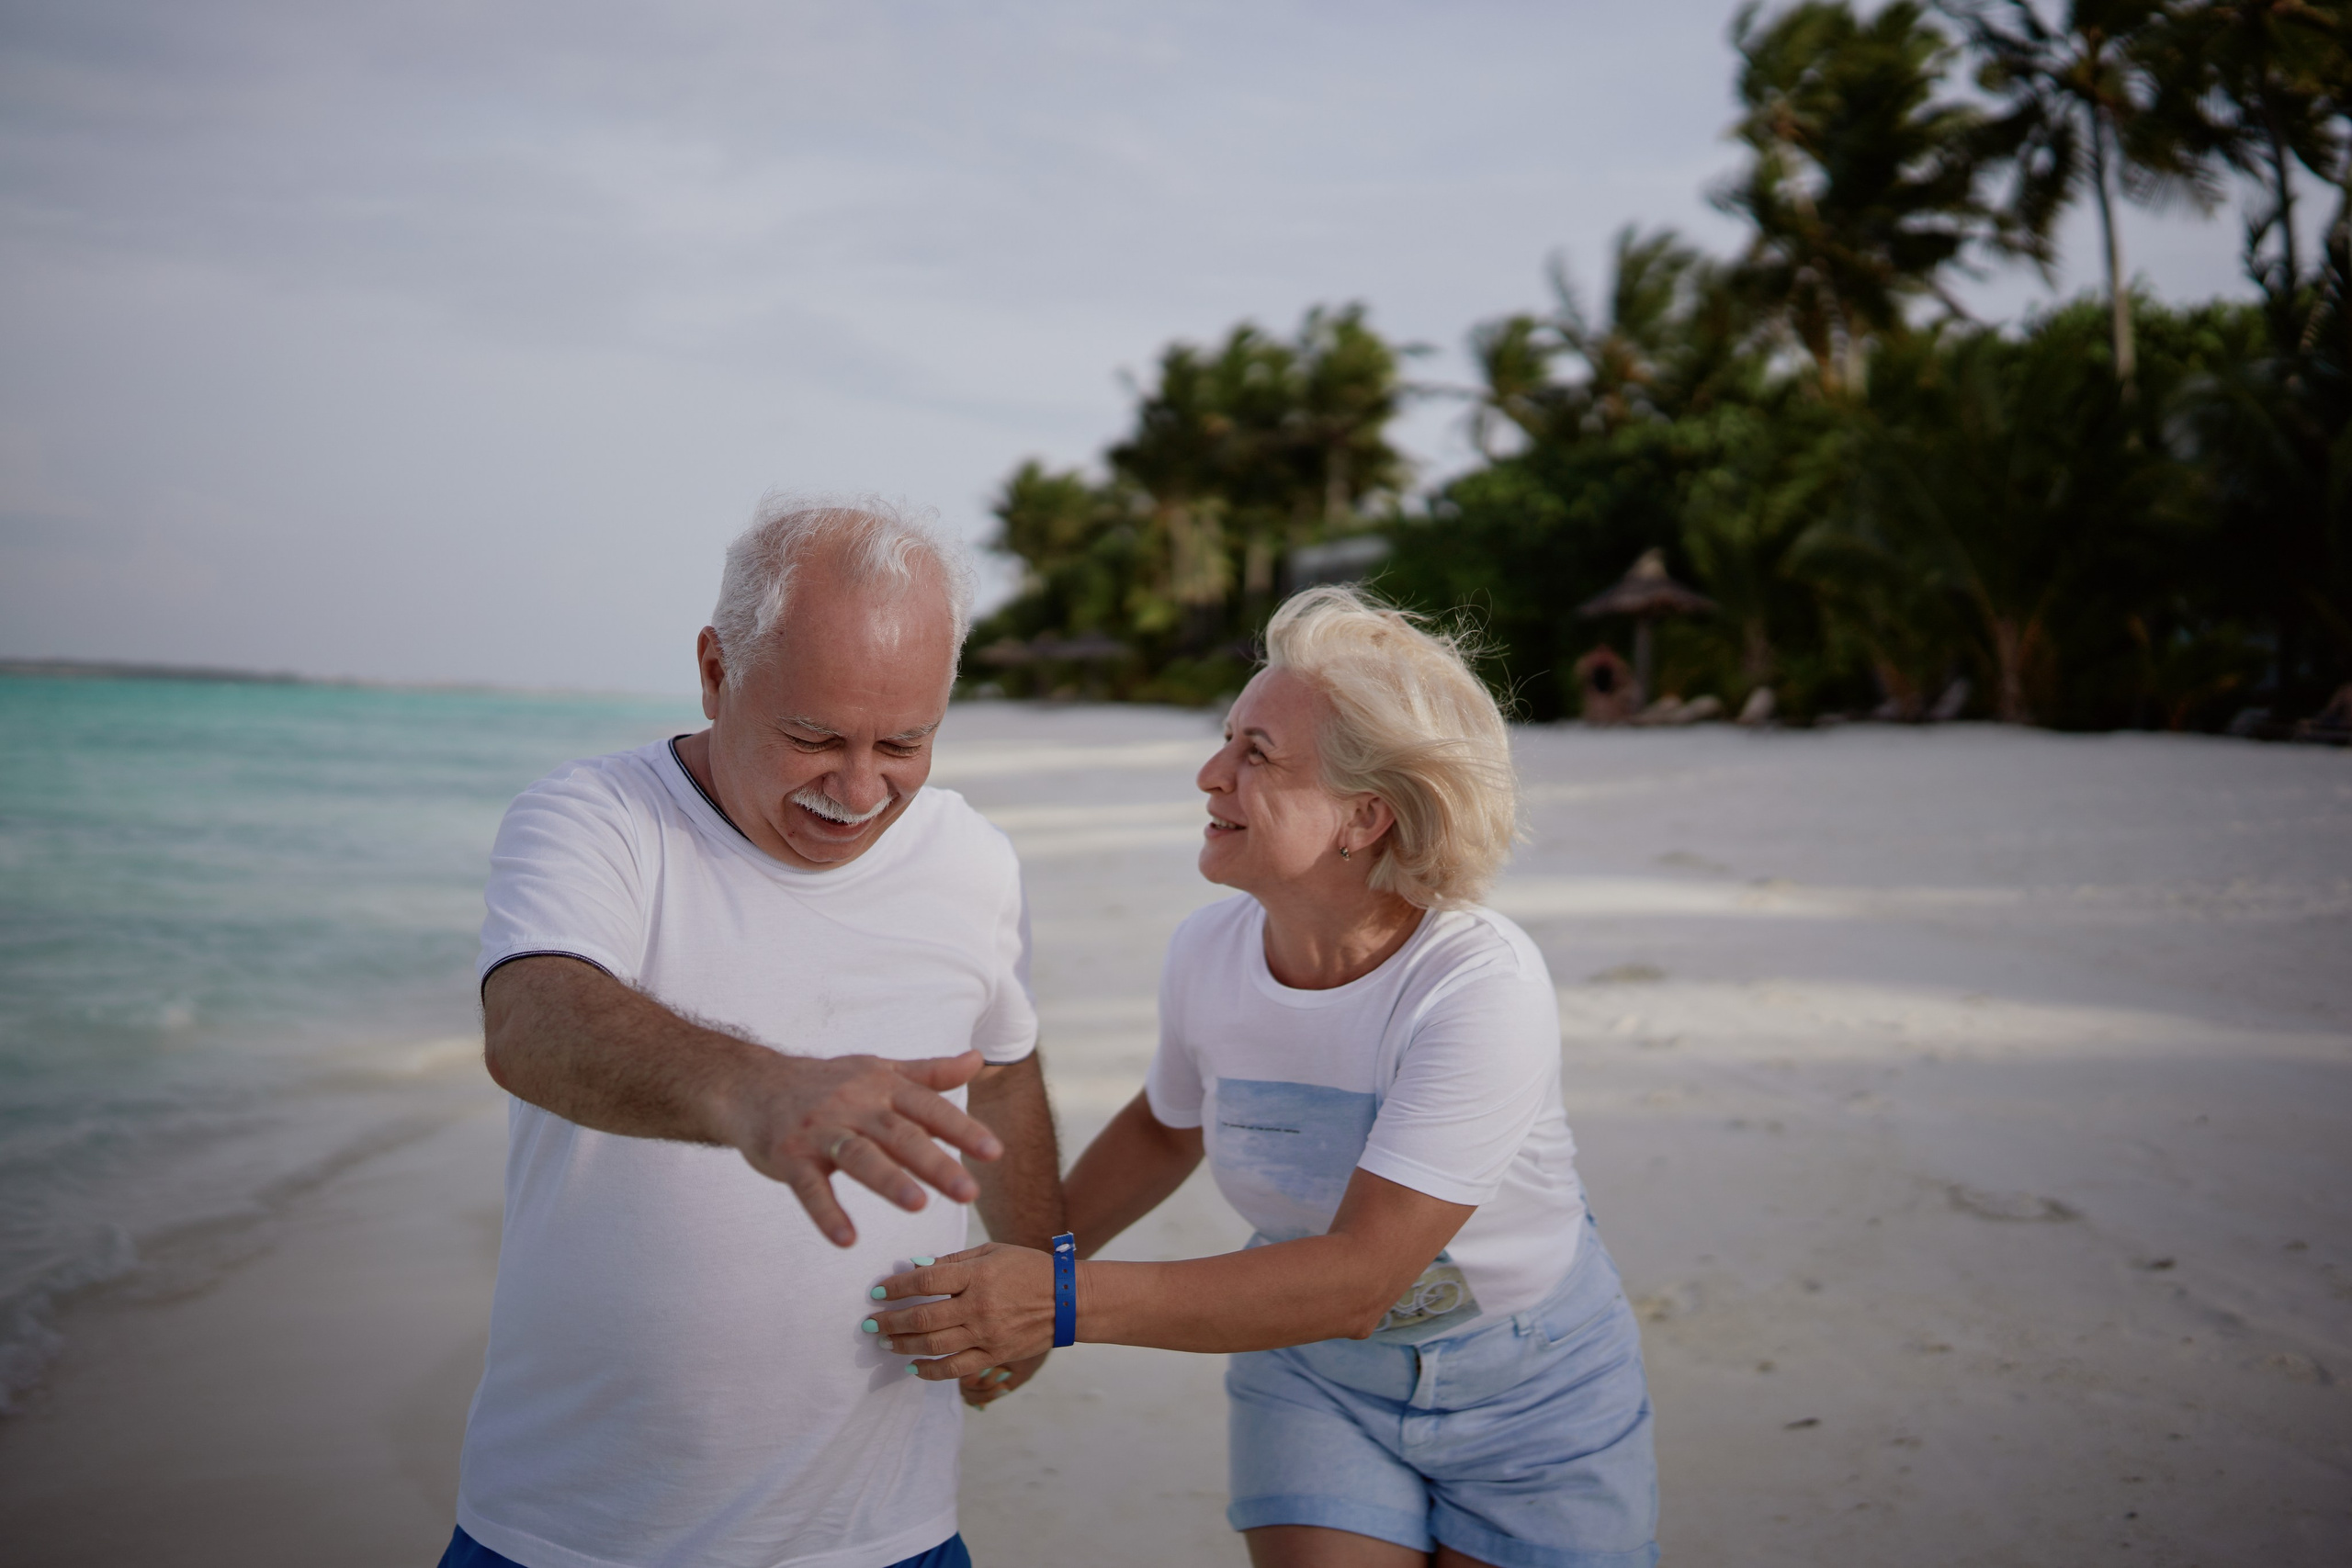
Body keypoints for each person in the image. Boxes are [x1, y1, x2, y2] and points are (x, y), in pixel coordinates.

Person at [872, 587, 1658, 1568]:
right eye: (1225, 739)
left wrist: (1057, 1302)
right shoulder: (1209, 952)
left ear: (1363, 815)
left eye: (1256, 756)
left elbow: (1363, 1279)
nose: (1210, 775)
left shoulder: (1475, 986)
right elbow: (1166, 1129)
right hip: (1313, 1375)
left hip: (1533, 1394)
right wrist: (1025, 1280)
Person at [443, 499, 1063, 1568]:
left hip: (888, 1535)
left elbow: (1001, 1071)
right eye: (815, 737)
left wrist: (1038, 1281)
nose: (860, 790)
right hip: (571, 1535)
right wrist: (759, 1092)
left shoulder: (973, 859)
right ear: (716, 672)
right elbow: (534, 1017)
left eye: (904, 743)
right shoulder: (594, 820)